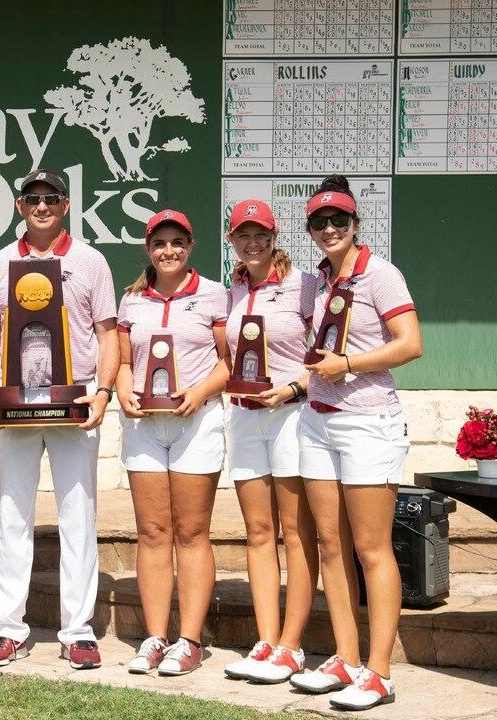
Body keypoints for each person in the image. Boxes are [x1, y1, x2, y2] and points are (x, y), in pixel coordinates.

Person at [0, 169, 118, 670]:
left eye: (51, 198)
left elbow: (107, 332)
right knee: (12, 515)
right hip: (15, 403)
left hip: (74, 401)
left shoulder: (91, 260)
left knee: (78, 516)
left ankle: (77, 631)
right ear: (19, 206)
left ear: (65, 205)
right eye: (32, 198)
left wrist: (103, 392)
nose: (42, 206)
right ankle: (9, 629)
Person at [288, 176, 422, 711]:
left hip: (368, 421)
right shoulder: (317, 281)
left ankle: (380, 671)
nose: (329, 229)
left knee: (371, 547)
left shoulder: (381, 274)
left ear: (355, 223)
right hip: (317, 420)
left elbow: (410, 345)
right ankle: (345, 657)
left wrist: (349, 364)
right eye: (319, 223)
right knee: (330, 544)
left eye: (338, 220)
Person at [114, 209, 229, 677]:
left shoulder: (213, 294)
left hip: (195, 421)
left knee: (192, 531)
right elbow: (124, 363)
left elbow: (230, 361)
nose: (169, 251)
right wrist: (123, 391)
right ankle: (156, 636)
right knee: (152, 532)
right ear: (148, 249)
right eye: (159, 243)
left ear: (190, 245)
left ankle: (190, 640)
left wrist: (200, 392)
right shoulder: (132, 300)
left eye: (177, 242)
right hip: (144, 425)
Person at [218, 200, 321, 685]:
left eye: (261, 234)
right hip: (244, 418)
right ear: (231, 239)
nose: (253, 243)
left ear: (275, 236)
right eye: (243, 234)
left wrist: (295, 388)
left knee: (296, 532)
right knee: (258, 531)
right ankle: (266, 639)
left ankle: (292, 645)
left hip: (290, 414)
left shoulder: (305, 285)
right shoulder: (232, 291)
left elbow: (327, 351)